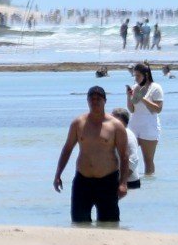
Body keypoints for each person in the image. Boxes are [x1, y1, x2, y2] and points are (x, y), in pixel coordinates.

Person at [53, 86, 131, 223]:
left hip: (108, 181)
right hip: (83, 180)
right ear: (87, 100)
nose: (95, 102)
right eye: (92, 99)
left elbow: (124, 156)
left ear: (105, 101)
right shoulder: (78, 123)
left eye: (98, 99)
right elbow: (67, 149)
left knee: (109, 224)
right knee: (79, 222)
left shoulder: (115, 126)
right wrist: (58, 174)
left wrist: (123, 183)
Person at [125, 62, 164, 176]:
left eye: (138, 75)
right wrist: (128, 96)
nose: (136, 78)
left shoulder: (155, 88)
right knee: (126, 156)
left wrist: (142, 98)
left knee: (148, 160)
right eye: (134, 75)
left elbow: (158, 109)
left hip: (149, 127)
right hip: (134, 126)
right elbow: (131, 109)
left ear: (146, 75)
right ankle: (126, 180)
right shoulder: (135, 87)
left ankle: (149, 185)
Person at [110, 108, 144, 189]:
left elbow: (133, 160)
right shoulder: (116, 133)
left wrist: (121, 182)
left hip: (129, 183)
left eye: (112, 119)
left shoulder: (127, 135)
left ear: (120, 120)